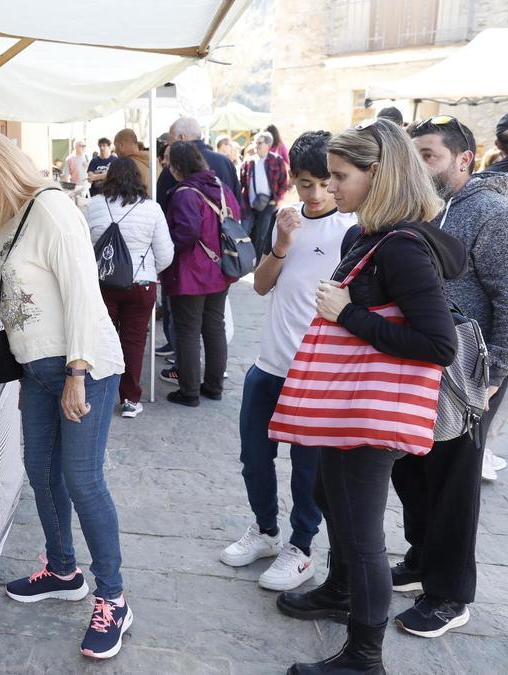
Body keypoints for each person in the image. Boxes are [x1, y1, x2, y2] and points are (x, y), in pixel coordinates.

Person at [277, 118, 464, 674]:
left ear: (377, 174)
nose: (331, 187)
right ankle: (340, 590)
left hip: (370, 408)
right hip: (350, 400)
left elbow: (438, 345)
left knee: (361, 535)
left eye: (340, 176)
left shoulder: (401, 247)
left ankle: (364, 656)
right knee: (328, 494)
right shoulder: (369, 234)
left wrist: (348, 314)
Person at [0, 131, 130, 660]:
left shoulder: (52, 209)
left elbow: (82, 294)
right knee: (41, 470)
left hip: (83, 366)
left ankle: (113, 598)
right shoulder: (8, 221)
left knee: (83, 480)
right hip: (37, 371)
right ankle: (62, 570)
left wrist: (77, 371)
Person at [386, 116, 508, 637]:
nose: (420, 165)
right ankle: (421, 558)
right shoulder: (422, 207)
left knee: (453, 481)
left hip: (467, 370)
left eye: (429, 155)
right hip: (417, 362)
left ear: (464, 158)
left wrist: (494, 370)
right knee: (410, 469)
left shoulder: (491, 212)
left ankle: (449, 595)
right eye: (415, 154)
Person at [220, 131, 356, 591]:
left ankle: (301, 547)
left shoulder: (353, 228)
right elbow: (260, 286)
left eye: (324, 182)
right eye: (305, 183)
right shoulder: (287, 219)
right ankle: (265, 530)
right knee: (254, 458)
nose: (315, 194)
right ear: (292, 179)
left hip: (316, 373)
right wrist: (281, 243)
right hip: (270, 363)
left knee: (307, 469)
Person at [85, 157, 173, 418]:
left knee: (102, 338)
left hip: (103, 282)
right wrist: (148, 270)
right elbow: (165, 254)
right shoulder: (152, 209)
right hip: (140, 283)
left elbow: (83, 246)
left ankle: (97, 394)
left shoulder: (93, 205)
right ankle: (130, 400)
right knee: (133, 341)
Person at [160, 142, 241, 407]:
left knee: (188, 331)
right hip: (221, 268)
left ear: (178, 166)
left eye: (169, 162)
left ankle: (189, 391)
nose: (166, 166)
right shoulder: (221, 187)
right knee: (214, 327)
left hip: (191, 272)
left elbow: (187, 232)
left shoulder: (185, 193)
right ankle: (214, 387)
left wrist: (167, 246)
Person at [156, 117, 241, 212]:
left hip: (186, 220)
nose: (169, 143)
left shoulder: (174, 166)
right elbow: (237, 202)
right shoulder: (225, 162)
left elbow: (161, 207)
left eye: (170, 138)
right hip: (225, 220)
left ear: (181, 137)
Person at [241, 131, 291, 262]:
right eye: (255, 143)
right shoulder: (249, 162)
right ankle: (245, 261)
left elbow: (283, 182)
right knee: (244, 231)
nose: (256, 146)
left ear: (268, 145)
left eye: (259, 143)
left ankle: (258, 263)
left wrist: (277, 200)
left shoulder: (277, 160)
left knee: (261, 235)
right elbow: (242, 184)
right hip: (249, 204)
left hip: (269, 204)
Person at [113, 129, 152, 194]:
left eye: (115, 146)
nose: (115, 151)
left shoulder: (125, 166)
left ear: (121, 145)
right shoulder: (154, 161)